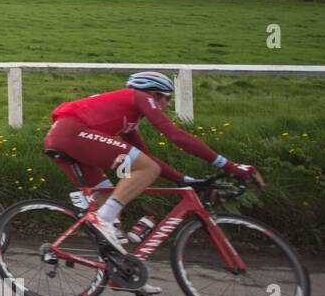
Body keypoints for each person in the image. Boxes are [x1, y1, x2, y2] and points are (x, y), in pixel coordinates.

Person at [45, 71, 262, 270]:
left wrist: (183, 179)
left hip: (64, 138)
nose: (168, 105)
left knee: (111, 204)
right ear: (154, 94)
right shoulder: (140, 97)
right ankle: (103, 218)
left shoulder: (129, 120)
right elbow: (175, 135)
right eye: (167, 98)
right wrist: (230, 166)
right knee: (145, 172)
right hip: (73, 133)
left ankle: (124, 272)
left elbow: (145, 156)